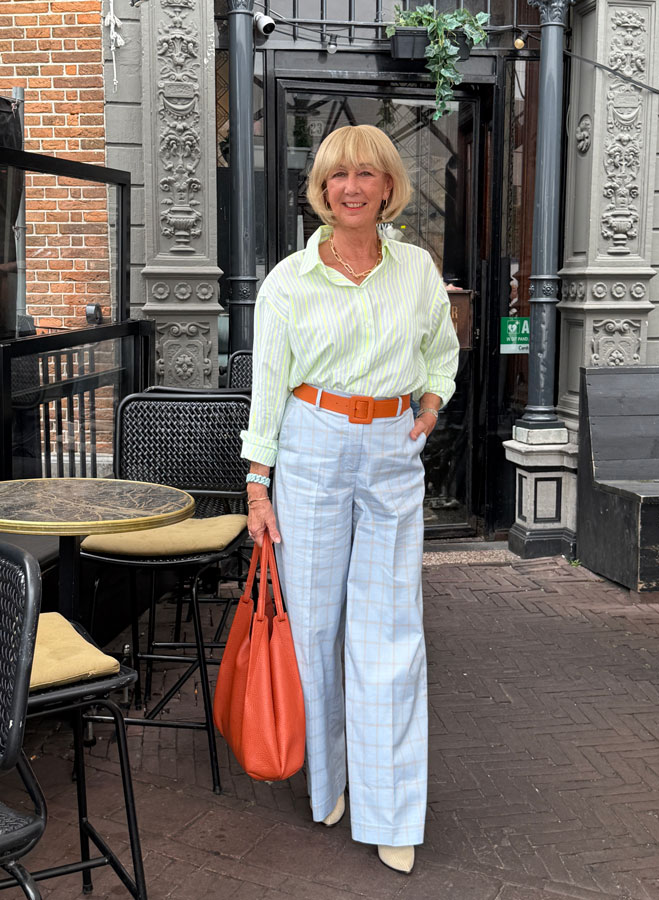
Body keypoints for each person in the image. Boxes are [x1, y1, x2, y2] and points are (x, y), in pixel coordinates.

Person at [241, 124, 459, 874]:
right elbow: (267, 386)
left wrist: (430, 405)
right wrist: (256, 484)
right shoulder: (289, 280)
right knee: (314, 627)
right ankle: (326, 785)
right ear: (322, 190)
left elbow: (439, 350)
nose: (352, 186)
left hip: (392, 449)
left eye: (367, 173)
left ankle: (390, 807)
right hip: (311, 448)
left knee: (390, 630)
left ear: (389, 187)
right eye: (338, 175)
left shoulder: (418, 270)